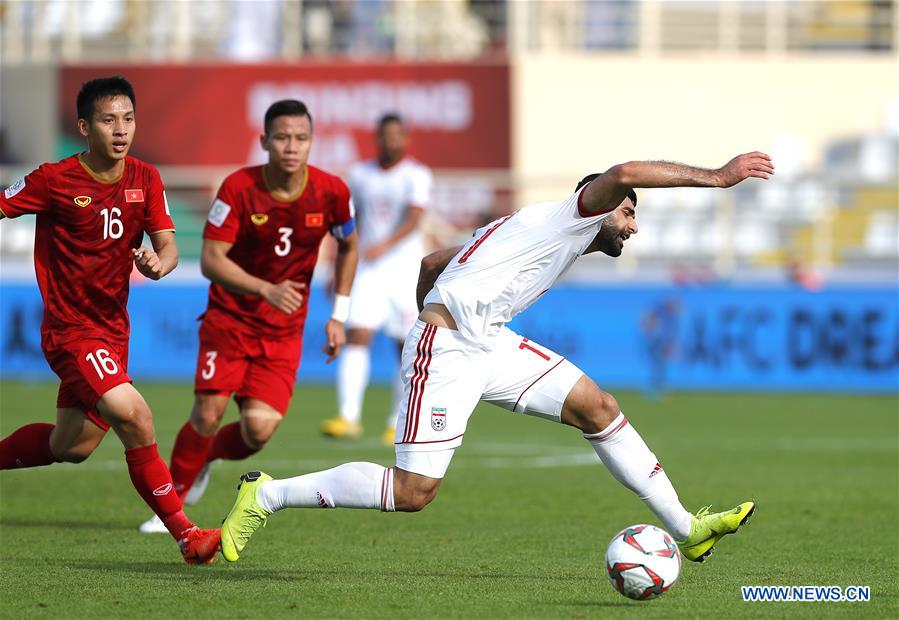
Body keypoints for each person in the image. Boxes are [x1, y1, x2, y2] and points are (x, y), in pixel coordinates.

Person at [219, 151, 775, 564]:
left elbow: (433, 262)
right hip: (450, 348)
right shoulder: (575, 214)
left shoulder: (535, 232)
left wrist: (436, 312)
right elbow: (626, 171)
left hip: (490, 342)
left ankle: (686, 527)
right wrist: (718, 178)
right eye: (628, 215)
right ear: (602, 205)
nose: (633, 226)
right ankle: (266, 493)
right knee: (414, 493)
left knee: (598, 407)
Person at [0, 76, 220, 564]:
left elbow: (169, 248)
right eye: (108, 119)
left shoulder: (146, 178)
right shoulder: (52, 179)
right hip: (70, 330)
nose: (121, 129)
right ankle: (187, 535)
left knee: (71, 445)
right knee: (137, 416)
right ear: (83, 126)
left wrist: (158, 265)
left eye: (128, 118)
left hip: (113, 332)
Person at [139, 100, 358, 533]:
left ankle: (206, 457)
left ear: (312, 142)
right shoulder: (239, 187)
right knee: (207, 413)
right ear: (264, 141)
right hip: (231, 318)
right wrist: (264, 289)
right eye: (281, 137)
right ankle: (172, 510)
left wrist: (339, 314)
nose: (291, 147)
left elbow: (349, 245)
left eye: (300, 138)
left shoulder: (333, 191)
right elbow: (210, 260)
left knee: (258, 431)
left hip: (283, 330)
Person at [320, 113, 433, 444]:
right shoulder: (360, 174)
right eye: (385, 135)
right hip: (368, 269)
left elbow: (415, 218)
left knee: (405, 345)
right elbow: (346, 220)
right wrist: (334, 264)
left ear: (406, 138)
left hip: (405, 270)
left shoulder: (416, 174)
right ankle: (348, 416)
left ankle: (396, 421)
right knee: (357, 334)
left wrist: (381, 245)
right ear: (377, 137)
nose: (391, 141)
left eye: (397, 135)